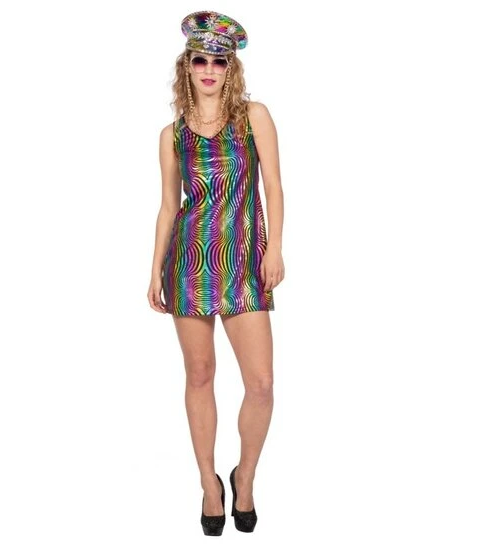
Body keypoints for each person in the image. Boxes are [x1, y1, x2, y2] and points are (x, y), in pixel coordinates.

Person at [147, 10, 285, 536]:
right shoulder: (172, 135)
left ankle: (243, 476)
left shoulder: (254, 117)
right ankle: (209, 483)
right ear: (187, 66)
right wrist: (155, 269)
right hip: (188, 265)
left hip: (245, 262)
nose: (208, 69)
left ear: (231, 68)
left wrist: (275, 248)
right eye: (200, 59)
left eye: (218, 61)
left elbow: (273, 186)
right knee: (200, 375)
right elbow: (168, 207)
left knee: (262, 383)